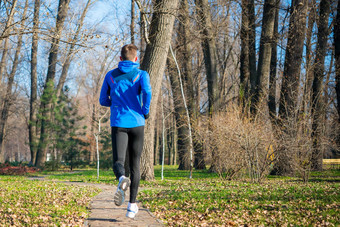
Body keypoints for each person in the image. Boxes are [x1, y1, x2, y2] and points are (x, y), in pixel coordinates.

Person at [99, 44, 152, 218]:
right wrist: (144, 110)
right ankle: (132, 206)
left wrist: (115, 103)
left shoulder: (110, 75)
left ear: (120, 59)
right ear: (136, 58)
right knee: (135, 165)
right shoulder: (142, 74)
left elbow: (103, 100)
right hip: (137, 123)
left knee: (118, 162)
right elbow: (147, 92)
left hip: (119, 124)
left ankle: (122, 179)